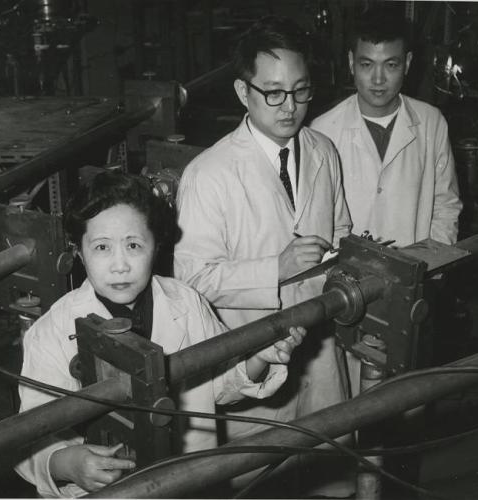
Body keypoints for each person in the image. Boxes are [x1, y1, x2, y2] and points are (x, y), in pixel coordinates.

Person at [14, 171, 306, 498]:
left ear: (156, 247)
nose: (120, 264)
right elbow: (29, 436)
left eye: (134, 245)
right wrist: (68, 463)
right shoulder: (52, 330)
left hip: (188, 481)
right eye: (102, 247)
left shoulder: (186, 302)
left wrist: (256, 359)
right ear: (80, 253)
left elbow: (221, 386)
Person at [174, 15, 353, 496]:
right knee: (258, 484)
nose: (289, 106)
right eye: (273, 92)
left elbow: (341, 234)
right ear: (241, 91)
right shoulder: (208, 174)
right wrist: (276, 269)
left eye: (300, 91)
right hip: (248, 370)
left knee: (328, 481)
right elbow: (192, 282)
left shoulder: (324, 150)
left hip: (319, 357)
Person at [311, 8, 462, 248]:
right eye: (367, 64)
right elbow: (316, 220)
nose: (378, 79)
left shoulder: (432, 123)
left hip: (415, 272)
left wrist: (430, 266)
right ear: (352, 63)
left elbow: (445, 205)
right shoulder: (322, 131)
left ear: (408, 63)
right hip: (347, 276)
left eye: (391, 65)